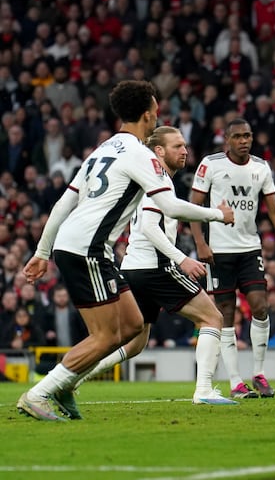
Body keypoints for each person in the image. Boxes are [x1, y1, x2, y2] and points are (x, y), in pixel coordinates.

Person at [19, 80, 234, 421]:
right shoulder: (141, 155)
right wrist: (217, 215)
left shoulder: (104, 149)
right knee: (106, 336)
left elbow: (64, 202)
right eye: (156, 110)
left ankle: (64, 387)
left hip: (84, 247)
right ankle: (40, 392)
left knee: (133, 325)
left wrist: (43, 251)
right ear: (149, 115)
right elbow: (170, 207)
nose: (157, 114)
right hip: (86, 249)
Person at [74, 126, 236, 407]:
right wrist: (181, 258)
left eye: (185, 146)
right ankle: (205, 390)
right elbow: (150, 226)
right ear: (158, 151)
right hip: (155, 267)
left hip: (134, 269)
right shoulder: (156, 178)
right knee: (213, 319)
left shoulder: (149, 179)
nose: (184, 151)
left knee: (134, 341)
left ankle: (74, 378)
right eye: (177, 146)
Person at [190, 118, 275, 399]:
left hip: (249, 248)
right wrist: (201, 242)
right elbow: (194, 206)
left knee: (260, 306)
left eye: (248, 136)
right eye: (238, 136)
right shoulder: (211, 164)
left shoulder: (261, 167)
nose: (244, 141)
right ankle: (236, 382)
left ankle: (259, 373)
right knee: (225, 312)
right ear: (227, 139)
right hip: (218, 250)